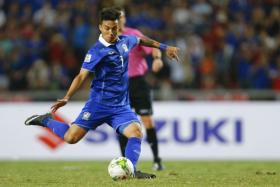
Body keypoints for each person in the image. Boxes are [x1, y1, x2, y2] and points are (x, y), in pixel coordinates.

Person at [24, 7, 179, 179]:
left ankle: (131, 170)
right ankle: (46, 120)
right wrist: (67, 97)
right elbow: (81, 75)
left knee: (136, 132)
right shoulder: (96, 51)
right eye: (107, 28)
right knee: (70, 138)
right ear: (100, 27)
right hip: (98, 105)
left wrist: (165, 47)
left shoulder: (126, 41)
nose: (111, 32)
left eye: (114, 28)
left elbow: (141, 40)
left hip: (120, 106)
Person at [114, 7, 164, 171]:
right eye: (116, 16)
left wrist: (157, 59)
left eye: (121, 16)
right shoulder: (108, 40)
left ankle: (157, 160)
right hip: (120, 86)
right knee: (123, 124)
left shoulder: (133, 33)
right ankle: (125, 163)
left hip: (138, 83)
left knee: (147, 121)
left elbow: (154, 46)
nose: (119, 19)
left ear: (125, 19)